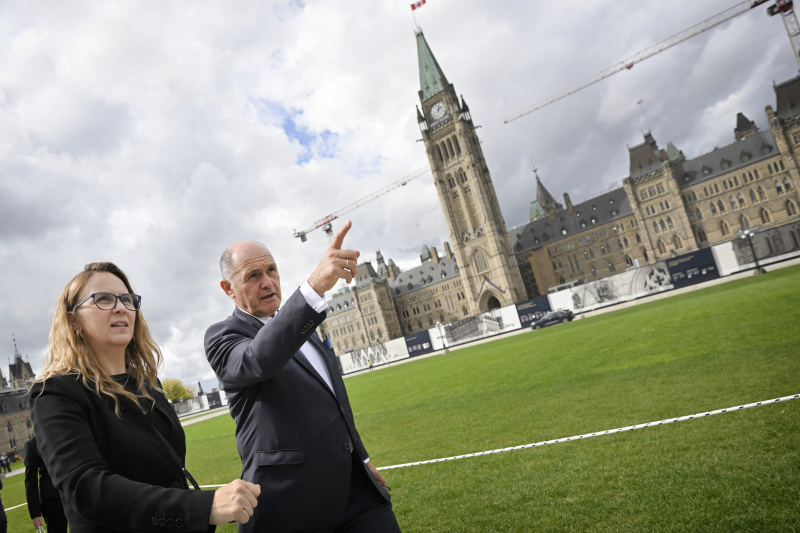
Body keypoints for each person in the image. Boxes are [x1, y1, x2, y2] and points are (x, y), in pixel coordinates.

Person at [30, 262, 261, 532]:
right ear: (73, 320)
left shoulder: (147, 382)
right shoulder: (56, 392)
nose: (120, 307)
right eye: (103, 299)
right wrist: (201, 506)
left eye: (127, 299)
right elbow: (85, 486)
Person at [205, 221, 401, 533]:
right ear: (228, 288)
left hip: (356, 494)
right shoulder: (223, 337)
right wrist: (312, 289)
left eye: (272, 270)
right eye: (253, 276)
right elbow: (259, 360)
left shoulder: (303, 326)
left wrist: (361, 459)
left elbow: (336, 403)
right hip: (290, 505)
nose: (268, 282)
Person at [24, 436, 68, 533]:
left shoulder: (66, 432)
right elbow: (31, 481)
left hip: (76, 491)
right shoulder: (32, 444)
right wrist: (35, 513)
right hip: (52, 500)